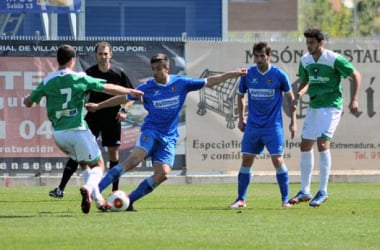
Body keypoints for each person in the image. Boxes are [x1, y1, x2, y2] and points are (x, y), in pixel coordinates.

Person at [85, 53, 246, 211]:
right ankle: (94, 192)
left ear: (167, 69)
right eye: (152, 69)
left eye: (157, 69)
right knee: (133, 161)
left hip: (168, 137)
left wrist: (232, 74)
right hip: (151, 131)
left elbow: (209, 81)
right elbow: (123, 98)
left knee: (163, 173)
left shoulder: (181, 83)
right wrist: (99, 106)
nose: (154, 73)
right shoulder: (147, 88)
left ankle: (129, 200)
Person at [23, 44, 143, 214]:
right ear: (73, 60)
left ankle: (99, 201)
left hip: (58, 135)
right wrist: (130, 91)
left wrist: (27, 98)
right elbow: (108, 88)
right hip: (78, 130)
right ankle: (87, 187)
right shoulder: (79, 78)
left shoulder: (47, 80)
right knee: (99, 165)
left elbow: (28, 103)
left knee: (84, 165)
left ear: (58, 60)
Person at [49, 41, 134, 199]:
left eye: (105, 54)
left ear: (111, 55)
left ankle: (114, 191)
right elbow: (78, 93)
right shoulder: (89, 73)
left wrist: (124, 109)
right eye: (100, 54)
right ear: (96, 55)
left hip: (112, 118)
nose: (103, 56)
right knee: (77, 153)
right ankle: (60, 188)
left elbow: (130, 97)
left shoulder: (119, 73)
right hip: (93, 118)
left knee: (113, 154)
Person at [288, 28, 361, 207]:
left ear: (321, 43)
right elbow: (306, 81)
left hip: (331, 107)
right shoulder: (305, 60)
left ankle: (323, 191)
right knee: (305, 145)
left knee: (322, 143)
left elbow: (355, 75)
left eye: (312, 43)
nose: (309, 46)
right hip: (314, 106)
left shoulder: (333, 58)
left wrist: (354, 100)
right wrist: (299, 93)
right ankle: (305, 190)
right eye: (307, 43)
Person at [228, 42, 297, 209]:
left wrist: (293, 122)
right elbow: (240, 96)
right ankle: (241, 199)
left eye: (262, 56)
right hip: (253, 126)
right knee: (246, 159)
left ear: (269, 56)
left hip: (273, 127)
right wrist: (240, 118)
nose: (259, 59)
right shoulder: (248, 74)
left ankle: (285, 199)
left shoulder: (279, 75)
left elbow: (290, 98)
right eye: (256, 56)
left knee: (277, 160)